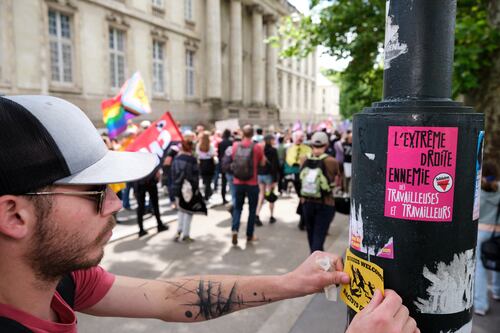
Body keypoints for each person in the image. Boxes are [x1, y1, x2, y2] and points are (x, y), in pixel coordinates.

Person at [0, 95, 419, 333]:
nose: (116, 203)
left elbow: (167, 297)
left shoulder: (63, 277)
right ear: (14, 215)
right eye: (96, 192)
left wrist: (290, 283)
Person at [300, 132, 340, 253]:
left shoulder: (303, 159)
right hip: (325, 203)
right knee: (319, 236)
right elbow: (337, 181)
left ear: (311, 144)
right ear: (326, 145)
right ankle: (316, 264)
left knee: (311, 235)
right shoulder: (332, 161)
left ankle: (314, 260)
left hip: (306, 202)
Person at [230, 125, 265, 245]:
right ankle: (249, 235)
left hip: (237, 181)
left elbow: (232, 159)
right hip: (252, 182)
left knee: (237, 208)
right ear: (253, 134)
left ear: (242, 134)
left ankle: (235, 229)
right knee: (251, 209)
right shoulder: (257, 147)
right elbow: (262, 162)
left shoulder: (235, 145)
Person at [474, 160, 500, 316]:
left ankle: (480, 305)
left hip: (482, 233)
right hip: (498, 233)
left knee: (480, 268)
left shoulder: (478, 192)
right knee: (498, 263)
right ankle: (497, 291)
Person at [171, 138, 201, 243]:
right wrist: (196, 189)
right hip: (188, 189)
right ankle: (186, 234)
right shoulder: (192, 160)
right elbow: (195, 177)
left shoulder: (177, 158)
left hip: (177, 187)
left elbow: (173, 174)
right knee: (188, 212)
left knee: (181, 210)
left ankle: (179, 230)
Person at [285, 130, 312, 230]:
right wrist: (300, 161)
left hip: (307, 176)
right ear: (294, 137)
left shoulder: (308, 148)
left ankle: (303, 220)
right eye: (298, 137)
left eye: (301, 137)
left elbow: (309, 159)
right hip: (297, 176)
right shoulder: (290, 148)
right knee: (302, 197)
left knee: (304, 197)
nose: (300, 138)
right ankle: (303, 219)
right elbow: (290, 161)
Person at [134, 166, 169, 238]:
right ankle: (158, 225)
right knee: (153, 204)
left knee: (142, 206)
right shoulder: (148, 155)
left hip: (141, 181)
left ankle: (142, 229)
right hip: (148, 180)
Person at [256, 134, 280, 225]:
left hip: (260, 175)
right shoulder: (273, 151)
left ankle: (257, 214)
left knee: (261, 194)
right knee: (270, 195)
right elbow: (275, 166)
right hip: (269, 176)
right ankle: (271, 216)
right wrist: (275, 179)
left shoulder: (260, 150)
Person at [196, 131, 216, 201]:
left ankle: (208, 193)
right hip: (209, 163)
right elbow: (212, 154)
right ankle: (207, 195)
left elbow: (197, 153)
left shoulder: (198, 145)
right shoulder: (211, 145)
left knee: (205, 180)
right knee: (208, 181)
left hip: (202, 163)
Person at [217, 129, 234, 205]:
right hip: (229, 165)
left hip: (222, 164)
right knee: (231, 182)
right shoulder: (231, 143)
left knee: (224, 182)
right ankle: (232, 197)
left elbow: (219, 154)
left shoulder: (220, 143)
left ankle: (223, 198)